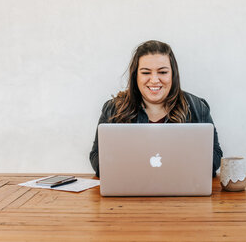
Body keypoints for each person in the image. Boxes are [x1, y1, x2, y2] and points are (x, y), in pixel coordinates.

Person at [89, 40, 223, 177]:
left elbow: (216, 155)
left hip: (182, 192)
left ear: (173, 74)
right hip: (131, 191)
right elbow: (96, 157)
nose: (154, 80)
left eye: (162, 72)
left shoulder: (197, 107)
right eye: (146, 73)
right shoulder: (113, 109)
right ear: (136, 76)